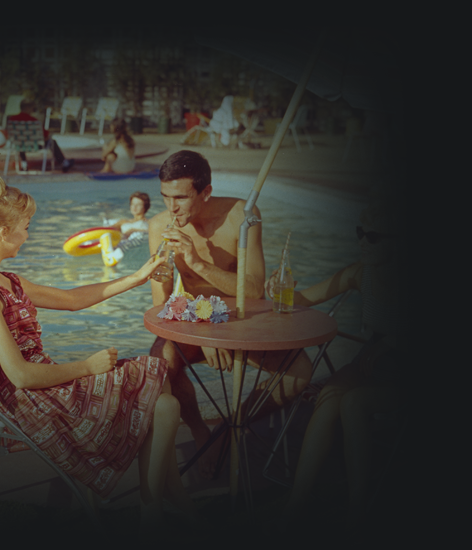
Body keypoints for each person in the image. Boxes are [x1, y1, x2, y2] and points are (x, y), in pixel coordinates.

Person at [0, 174, 198, 526]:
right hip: (35, 403)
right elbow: (21, 376)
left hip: (48, 388)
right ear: (0, 230)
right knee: (163, 398)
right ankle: (160, 508)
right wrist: (87, 366)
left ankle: (161, 505)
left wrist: (137, 277)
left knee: (161, 389)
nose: (28, 234)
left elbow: (72, 300)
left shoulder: (6, 281)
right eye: (25, 227)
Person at [147, 150, 312, 476]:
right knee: (160, 364)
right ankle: (199, 430)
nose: (171, 208)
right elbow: (161, 307)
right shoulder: (160, 226)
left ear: (205, 191)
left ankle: (234, 425)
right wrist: (206, 329)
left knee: (300, 371)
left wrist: (196, 263)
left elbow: (252, 290)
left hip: (241, 320)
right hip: (196, 322)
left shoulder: (242, 216)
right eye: (165, 197)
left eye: (180, 198)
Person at [276, 200, 404, 532]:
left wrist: (393, 340)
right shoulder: (361, 273)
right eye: (360, 233)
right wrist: (284, 289)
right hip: (372, 363)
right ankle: (297, 502)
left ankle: (357, 509)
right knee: (329, 397)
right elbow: (305, 299)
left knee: (353, 402)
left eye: (373, 237)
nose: (363, 242)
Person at [7, 98, 74, 173]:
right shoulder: (33, 121)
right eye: (33, 108)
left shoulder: (12, 120)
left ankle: (24, 164)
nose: (33, 110)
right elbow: (45, 135)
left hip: (18, 145)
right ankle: (64, 163)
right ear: (28, 108)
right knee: (52, 142)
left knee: (21, 140)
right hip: (34, 145)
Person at [101, 191, 150, 267]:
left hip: (136, 246)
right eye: (132, 204)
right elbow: (109, 230)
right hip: (123, 247)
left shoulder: (149, 222)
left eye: (138, 204)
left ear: (145, 206)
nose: (134, 207)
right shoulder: (123, 221)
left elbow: (152, 232)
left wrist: (133, 230)